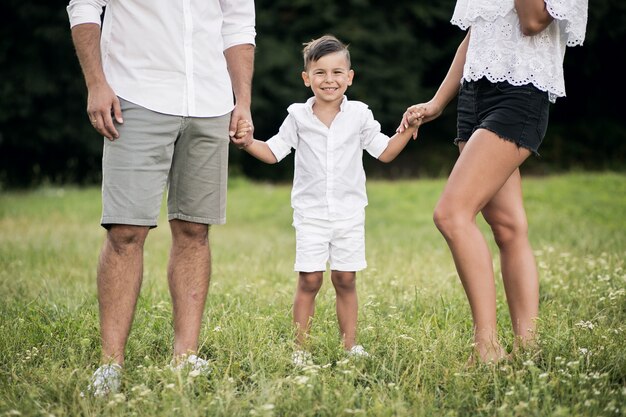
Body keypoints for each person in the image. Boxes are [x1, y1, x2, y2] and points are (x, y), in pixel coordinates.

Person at [66, 0, 256, 395]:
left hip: (210, 101)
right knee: (125, 231)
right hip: (135, 95)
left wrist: (242, 102)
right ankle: (110, 364)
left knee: (194, 230)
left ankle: (185, 357)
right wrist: (96, 83)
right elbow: (84, 7)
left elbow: (238, 25)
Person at [398, 0, 587, 363]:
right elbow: (477, 34)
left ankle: (487, 347)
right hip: (474, 93)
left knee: (452, 215)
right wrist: (438, 102)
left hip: (520, 95)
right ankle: (527, 347)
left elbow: (533, 21)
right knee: (507, 225)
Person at [231, 35, 422, 366]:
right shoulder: (297, 116)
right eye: (319, 73)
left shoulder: (359, 114)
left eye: (337, 73)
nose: (329, 80)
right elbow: (274, 152)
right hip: (311, 214)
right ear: (306, 79)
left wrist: (408, 128)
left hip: (349, 213)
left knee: (345, 278)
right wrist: (247, 143)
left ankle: (350, 346)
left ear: (350, 77)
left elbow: (385, 151)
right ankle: (300, 349)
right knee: (310, 279)